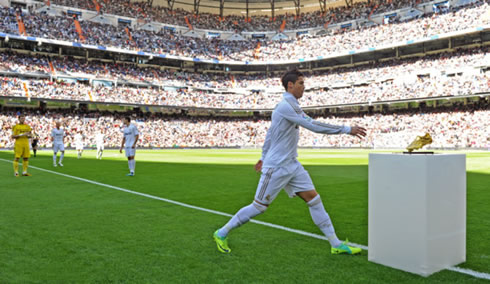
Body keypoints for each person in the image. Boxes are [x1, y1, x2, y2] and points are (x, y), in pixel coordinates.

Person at [213, 69, 367, 255]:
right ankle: (221, 233)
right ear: (290, 85)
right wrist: (346, 129)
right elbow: (313, 125)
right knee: (259, 207)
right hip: (277, 167)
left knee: (314, 199)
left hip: (292, 165)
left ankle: (335, 244)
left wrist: (262, 156)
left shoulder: (290, 106)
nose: (304, 87)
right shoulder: (286, 105)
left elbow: (271, 134)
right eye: (301, 83)